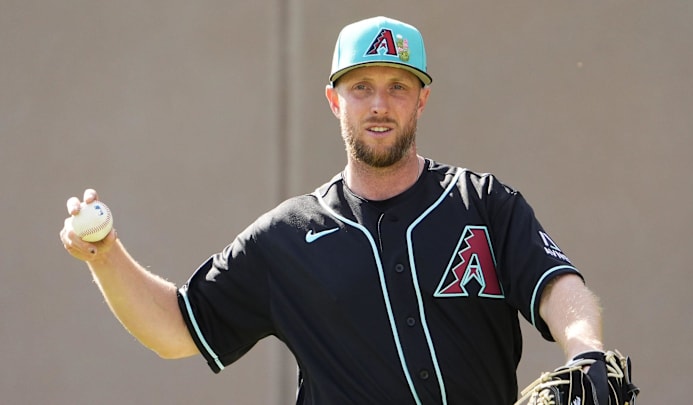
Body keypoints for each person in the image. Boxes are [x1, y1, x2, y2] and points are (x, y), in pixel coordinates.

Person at [60, 16, 606, 404]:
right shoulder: (287, 238)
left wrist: (585, 349)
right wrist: (104, 257)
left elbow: (557, 284)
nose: (378, 104)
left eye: (398, 87)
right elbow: (178, 329)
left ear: (422, 100)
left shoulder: (483, 204)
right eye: (361, 86)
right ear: (334, 100)